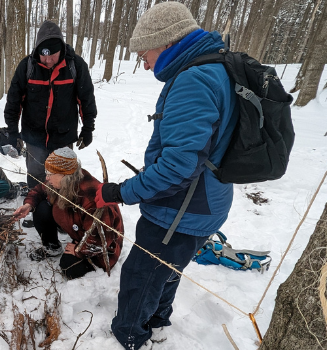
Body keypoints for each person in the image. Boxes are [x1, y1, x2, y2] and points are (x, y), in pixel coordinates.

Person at [95, 3, 238, 349]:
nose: (143, 62)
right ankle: (157, 319)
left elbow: (178, 168)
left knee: (142, 273)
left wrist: (121, 192)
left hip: (182, 208)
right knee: (167, 268)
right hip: (204, 201)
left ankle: (129, 334)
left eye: (144, 53)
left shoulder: (195, 80)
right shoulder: (212, 65)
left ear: (166, 43)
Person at [3, 20, 97, 189]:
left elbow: (86, 99)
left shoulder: (75, 66)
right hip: (34, 135)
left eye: (52, 55)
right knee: (36, 175)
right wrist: (12, 131)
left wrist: (88, 128)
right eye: (43, 55)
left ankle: (60, 210)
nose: (47, 60)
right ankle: (35, 208)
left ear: (61, 49)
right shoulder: (27, 67)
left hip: (63, 134)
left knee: (62, 177)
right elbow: (14, 101)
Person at [13, 147, 123, 279]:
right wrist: (28, 205)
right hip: (78, 226)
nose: (47, 177)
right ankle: (52, 247)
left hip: (102, 246)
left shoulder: (91, 199)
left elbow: (102, 240)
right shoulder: (63, 181)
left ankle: (92, 274)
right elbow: (39, 190)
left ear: (64, 175)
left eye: (50, 173)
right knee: (41, 208)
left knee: (69, 267)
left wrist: (80, 250)